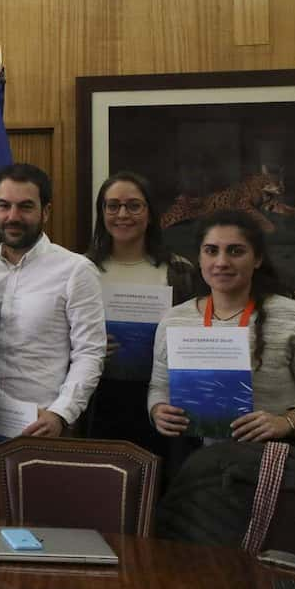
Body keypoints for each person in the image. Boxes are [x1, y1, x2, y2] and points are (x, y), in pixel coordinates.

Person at [149, 209, 295, 442]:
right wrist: (157, 410)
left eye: (236, 251)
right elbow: (159, 387)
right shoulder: (174, 320)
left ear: (257, 259)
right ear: (199, 259)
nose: (221, 262)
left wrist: (285, 422)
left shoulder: (294, 317)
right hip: (195, 460)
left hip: (272, 456)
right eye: (211, 251)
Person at [0, 163, 106, 436]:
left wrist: (62, 413)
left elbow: (90, 353)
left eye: (25, 206)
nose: (13, 216)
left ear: (46, 210)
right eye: (4, 205)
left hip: (43, 425)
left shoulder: (76, 270)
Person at [84, 171, 201, 455]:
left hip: (164, 402)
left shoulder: (180, 271)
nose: (122, 214)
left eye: (134, 205)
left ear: (150, 213)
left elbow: (198, 337)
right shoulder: (80, 270)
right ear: (102, 213)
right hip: (97, 399)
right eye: (112, 206)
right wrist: (88, 345)